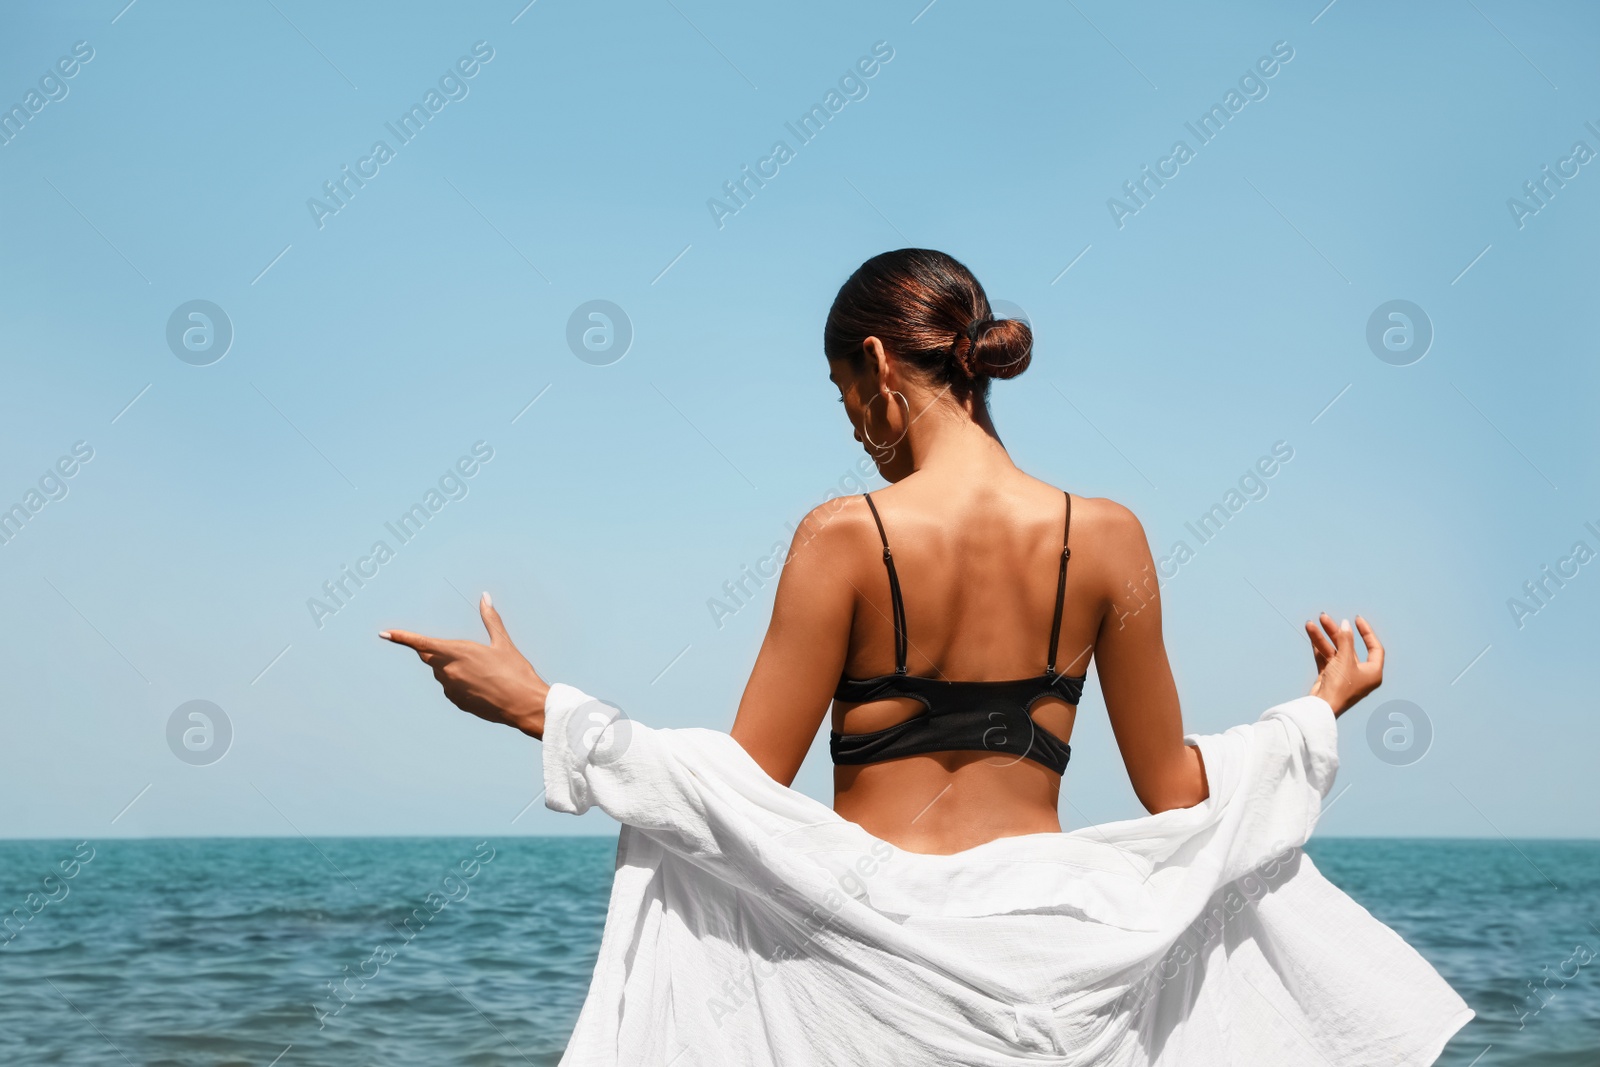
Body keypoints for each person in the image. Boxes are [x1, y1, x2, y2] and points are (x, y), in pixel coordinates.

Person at [383, 250, 1471, 1064]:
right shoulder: (1108, 536)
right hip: (1062, 973)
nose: (854, 426)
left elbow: (740, 791)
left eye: (844, 397)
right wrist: (1315, 710)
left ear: (874, 365)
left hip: (873, 978)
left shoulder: (842, 535)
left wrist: (545, 709)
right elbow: (1176, 789)